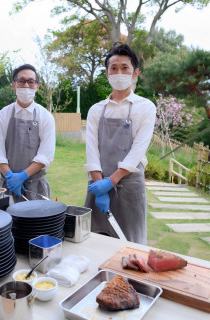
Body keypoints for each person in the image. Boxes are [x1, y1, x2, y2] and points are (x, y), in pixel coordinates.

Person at [84, 44, 156, 245]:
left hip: (129, 185)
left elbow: (138, 150)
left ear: (135, 73)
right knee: (96, 241)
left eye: (125, 67)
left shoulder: (146, 107)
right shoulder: (96, 110)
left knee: (131, 243)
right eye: (113, 68)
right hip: (98, 184)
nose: (119, 72)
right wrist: (101, 185)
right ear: (107, 73)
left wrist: (111, 182)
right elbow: (92, 150)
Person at [0, 64, 55, 203]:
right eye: (21, 81)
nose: (26, 86)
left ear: (37, 86)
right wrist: (11, 177)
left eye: (31, 82)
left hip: (36, 188)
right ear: (14, 85)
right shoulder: (2, 116)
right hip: (7, 186)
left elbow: (45, 155)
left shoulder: (45, 117)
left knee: (38, 224)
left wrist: (23, 176)